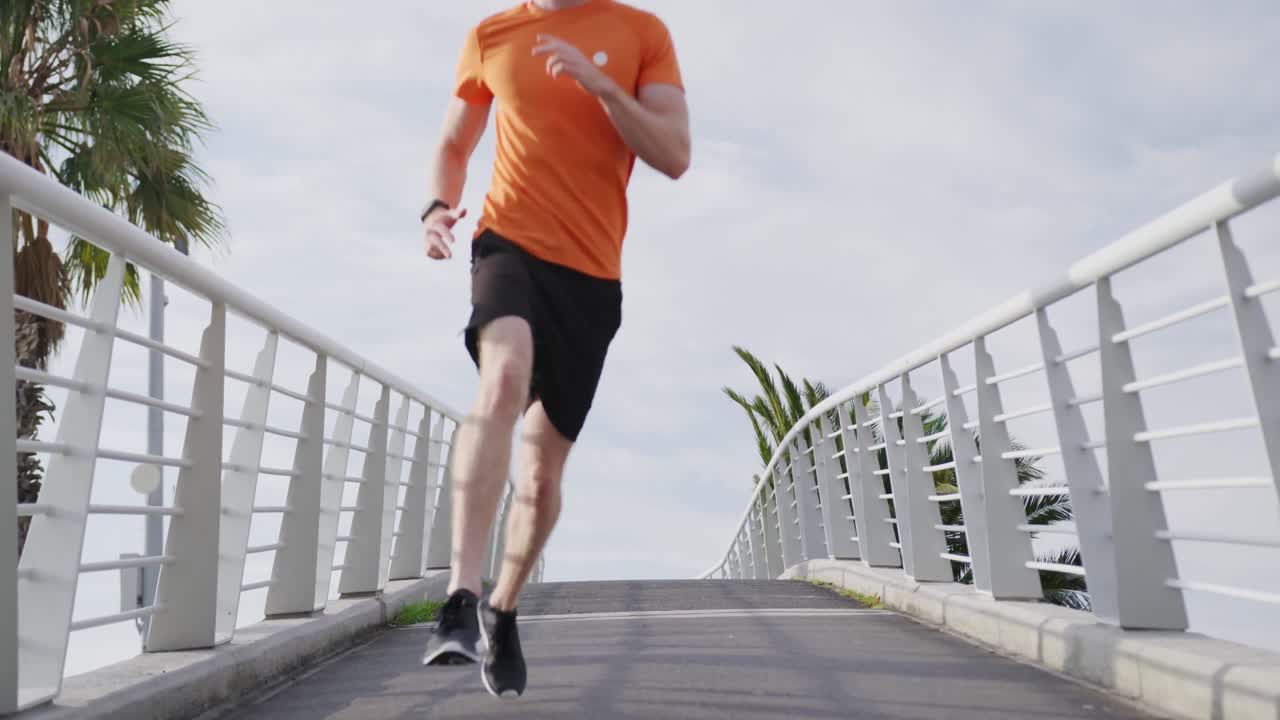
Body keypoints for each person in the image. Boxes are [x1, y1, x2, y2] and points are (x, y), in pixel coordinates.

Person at [417, 0, 690, 699]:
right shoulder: (491, 35)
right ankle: (459, 594)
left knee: (539, 480)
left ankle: (501, 606)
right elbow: (455, 143)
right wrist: (438, 209)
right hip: (507, 244)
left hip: (592, 279)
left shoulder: (641, 33)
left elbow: (673, 153)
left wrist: (603, 90)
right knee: (503, 379)